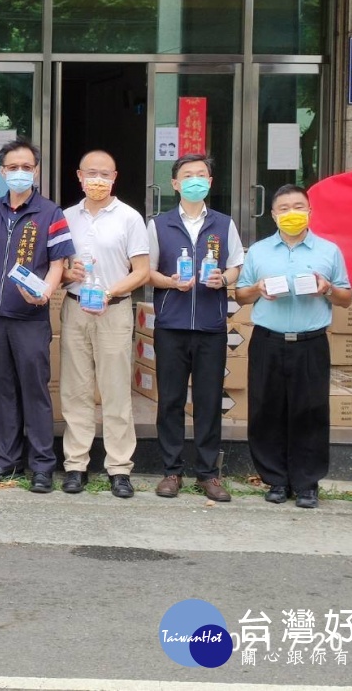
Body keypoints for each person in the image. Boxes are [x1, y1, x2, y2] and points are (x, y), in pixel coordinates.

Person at [235, 184, 350, 509]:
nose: (291, 213)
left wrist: (327, 289)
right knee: (266, 410)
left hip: (311, 343)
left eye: (298, 206)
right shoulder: (258, 251)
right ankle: (275, 480)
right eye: (283, 208)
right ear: (273, 214)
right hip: (267, 342)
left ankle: (307, 483)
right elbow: (240, 294)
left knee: (310, 412)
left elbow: (347, 298)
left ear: (310, 211)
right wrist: (257, 289)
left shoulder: (329, 251)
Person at [0, 138, 75, 494]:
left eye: (26, 167)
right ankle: (6, 459)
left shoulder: (51, 212)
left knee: (34, 389)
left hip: (30, 315)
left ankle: (42, 465)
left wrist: (45, 292)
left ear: (35, 171)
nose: (19, 173)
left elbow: (58, 262)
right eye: (12, 167)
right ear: (2, 172)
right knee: (1, 389)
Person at [146, 153, 243, 502]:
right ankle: (171, 471)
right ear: (175, 183)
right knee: (170, 400)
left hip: (211, 325)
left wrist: (223, 278)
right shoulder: (159, 224)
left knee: (208, 401)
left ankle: (208, 474)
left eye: (201, 175)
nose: (195, 180)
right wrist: (170, 283)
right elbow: (148, 271)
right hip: (170, 325)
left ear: (210, 183)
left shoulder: (223, 223)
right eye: (188, 175)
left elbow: (237, 266)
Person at [61, 150, 150, 499]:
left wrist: (109, 293)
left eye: (105, 174)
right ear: (79, 176)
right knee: (75, 388)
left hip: (114, 309)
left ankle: (119, 467)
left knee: (114, 389)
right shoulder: (66, 216)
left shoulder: (129, 218)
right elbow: (59, 268)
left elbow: (141, 271)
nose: (97, 180)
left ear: (115, 177)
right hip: (75, 308)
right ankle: (75, 464)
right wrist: (70, 274)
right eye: (91, 173)